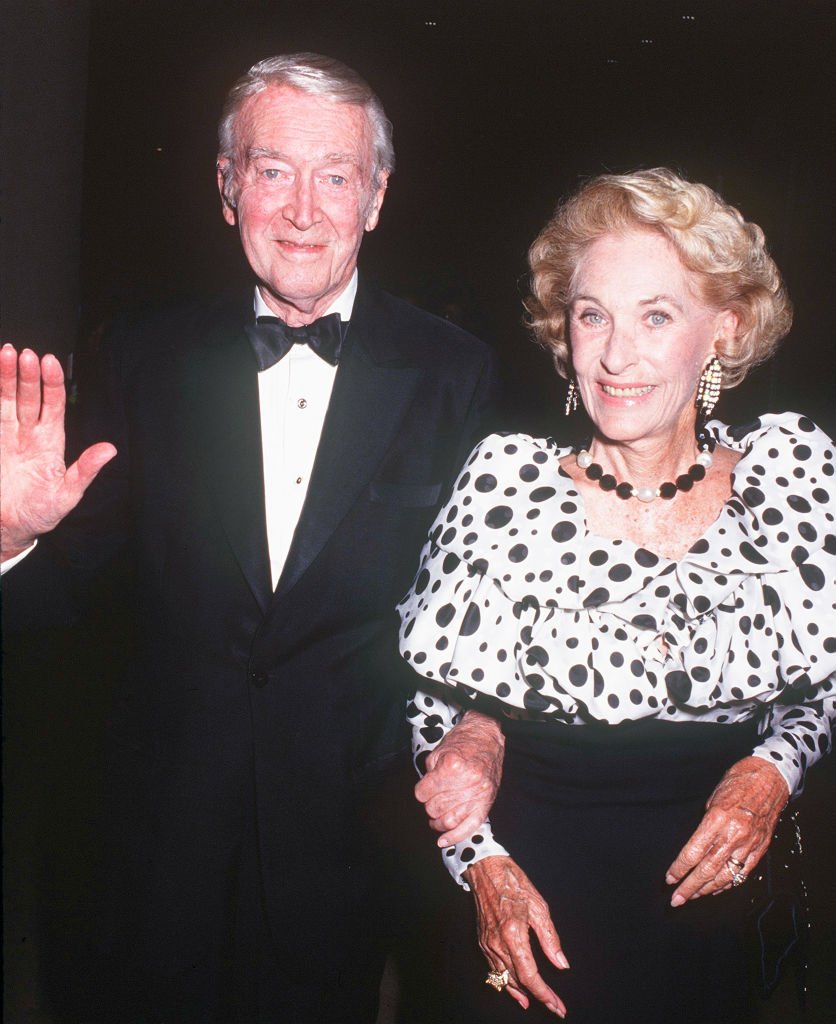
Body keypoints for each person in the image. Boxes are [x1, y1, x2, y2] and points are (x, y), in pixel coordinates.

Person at [0, 53, 505, 1023]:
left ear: (376, 196)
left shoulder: (456, 375)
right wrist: (16, 540)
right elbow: (67, 610)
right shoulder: (143, 356)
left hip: (347, 854)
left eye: (336, 175)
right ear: (228, 189)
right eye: (272, 170)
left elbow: (478, 615)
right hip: (149, 852)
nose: (304, 211)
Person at [398, 168, 835, 1023]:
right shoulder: (504, 488)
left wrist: (772, 772)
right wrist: (479, 864)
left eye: (656, 316)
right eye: (592, 313)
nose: (614, 353)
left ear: (725, 330)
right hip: (529, 901)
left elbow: (821, 683)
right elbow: (429, 703)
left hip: (713, 912)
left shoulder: (795, 482)